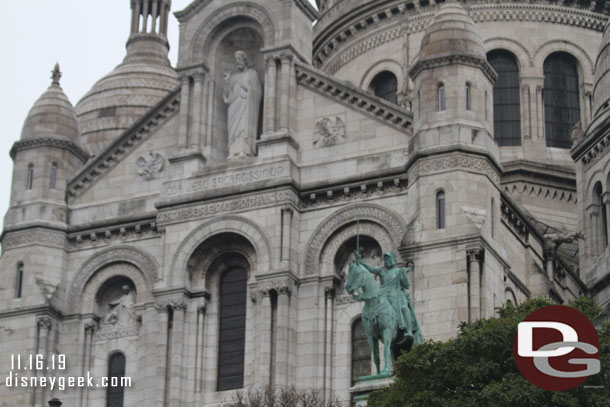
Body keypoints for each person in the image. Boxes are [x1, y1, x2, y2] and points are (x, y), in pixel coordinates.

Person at [356, 251, 422, 343]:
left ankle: (409, 330)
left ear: (393, 260)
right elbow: (369, 269)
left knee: (404, 308)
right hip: (385, 297)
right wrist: (360, 262)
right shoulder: (382, 271)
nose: (387, 261)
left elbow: (406, 285)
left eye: (388, 259)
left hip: (397, 296)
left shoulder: (398, 271)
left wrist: (403, 275)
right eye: (385, 259)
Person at [223, 50, 262, 159]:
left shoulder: (252, 74)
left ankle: (244, 150)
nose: (237, 62)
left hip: (246, 105)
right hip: (234, 105)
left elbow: (258, 92)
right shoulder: (233, 77)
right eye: (236, 60)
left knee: (243, 127)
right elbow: (227, 94)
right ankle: (232, 151)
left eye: (239, 59)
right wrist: (226, 82)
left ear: (245, 60)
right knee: (233, 130)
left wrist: (246, 87)